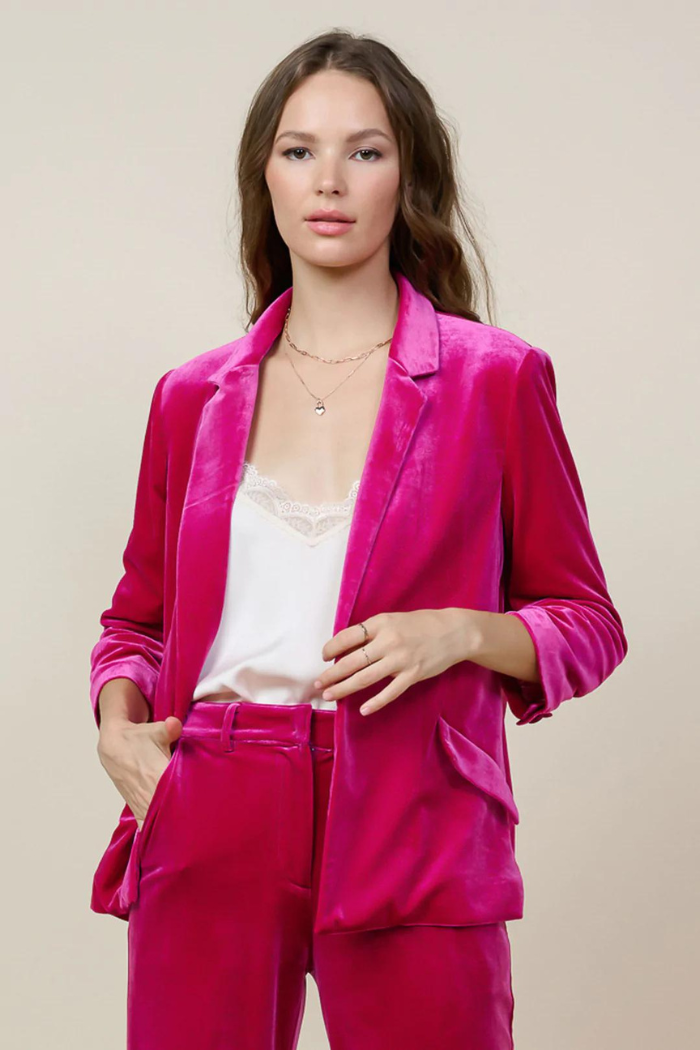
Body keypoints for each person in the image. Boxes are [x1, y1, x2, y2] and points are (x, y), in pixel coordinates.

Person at [88, 29, 628, 1050]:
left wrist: (459, 634)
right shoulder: (191, 398)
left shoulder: (495, 380)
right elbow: (137, 624)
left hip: (415, 800)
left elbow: (586, 622)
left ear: (406, 174)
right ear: (265, 176)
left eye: (364, 151)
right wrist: (119, 729)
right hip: (212, 794)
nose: (327, 180)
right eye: (298, 151)